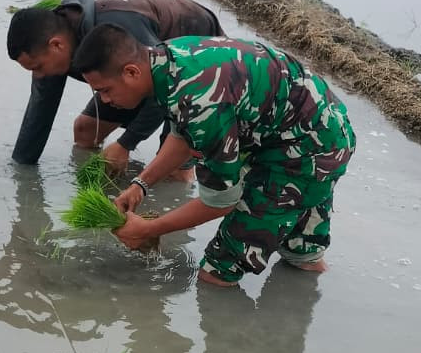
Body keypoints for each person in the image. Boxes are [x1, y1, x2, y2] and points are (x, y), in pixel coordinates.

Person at [71, 25, 356, 288]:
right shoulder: (169, 59)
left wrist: (148, 229)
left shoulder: (197, 99)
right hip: (313, 128)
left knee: (216, 272)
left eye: (104, 91)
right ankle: (307, 298)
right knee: (299, 255)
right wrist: (140, 185)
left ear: (131, 72)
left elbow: (219, 201)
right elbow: (182, 137)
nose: (104, 101)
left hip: (307, 153)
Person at [8, 0, 222, 174]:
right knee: (85, 130)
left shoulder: (118, 30)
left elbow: (163, 82)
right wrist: (22, 172)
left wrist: (126, 144)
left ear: (56, 45)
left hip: (192, 63)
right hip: (140, 71)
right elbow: (40, 111)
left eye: (37, 67)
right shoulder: (55, 43)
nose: (39, 75)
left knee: (173, 165)